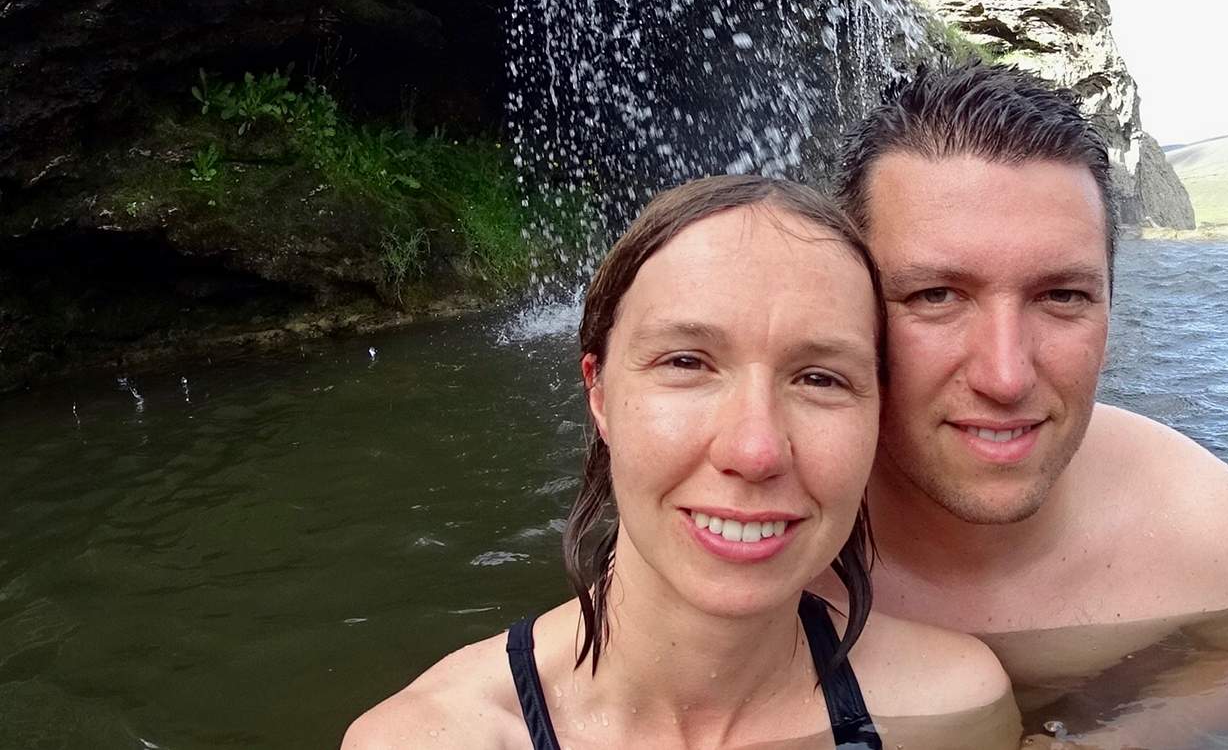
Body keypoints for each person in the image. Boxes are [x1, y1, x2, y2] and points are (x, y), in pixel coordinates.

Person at [343, 175, 1020, 750]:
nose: (755, 450)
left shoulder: (953, 712)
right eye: (687, 363)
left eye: (819, 378)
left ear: (878, 415)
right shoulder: (433, 737)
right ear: (600, 395)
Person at [828, 61, 1228, 747]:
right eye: (935, 296)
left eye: (1061, 296)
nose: (1004, 376)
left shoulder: (1205, 534)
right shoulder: (739, 528)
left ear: (1112, 311)